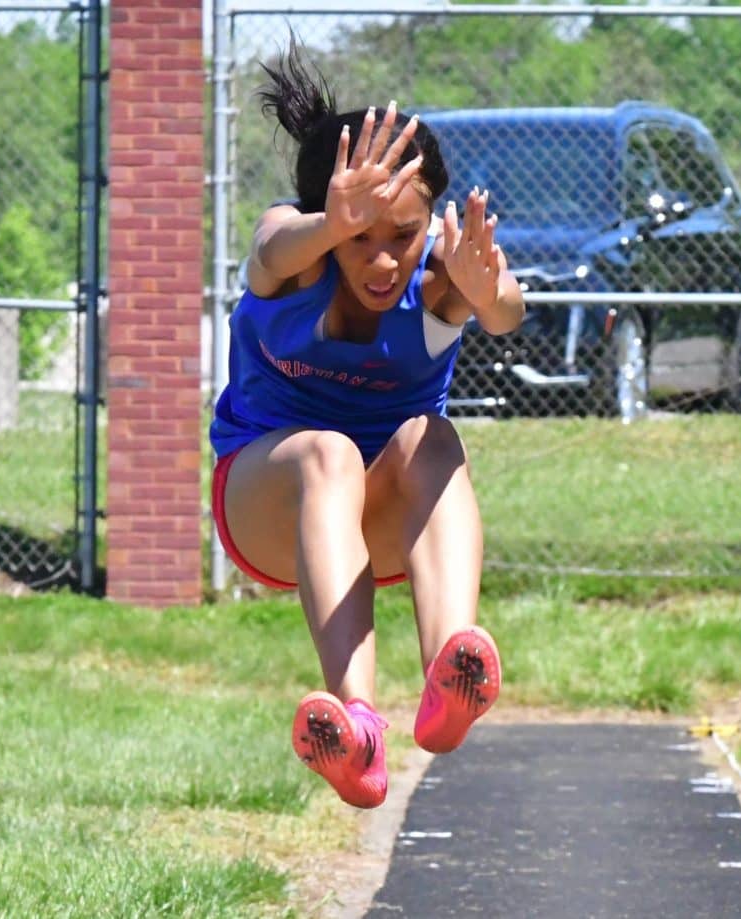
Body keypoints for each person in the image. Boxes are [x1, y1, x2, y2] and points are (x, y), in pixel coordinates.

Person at [209, 38, 525, 809]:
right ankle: (358, 723)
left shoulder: (439, 281)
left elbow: (506, 311)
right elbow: (270, 245)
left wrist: (487, 294)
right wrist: (327, 225)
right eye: (361, 236)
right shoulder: (298, 256)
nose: (384, 261)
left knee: (431, 437)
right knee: (330, 453)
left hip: (379, 523)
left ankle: (449, 673)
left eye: (402, 236)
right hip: (266, 505)